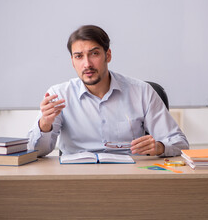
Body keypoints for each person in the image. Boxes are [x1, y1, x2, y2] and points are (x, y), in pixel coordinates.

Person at [28, 25, 189, 157]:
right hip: (76, 178)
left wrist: (160, 147)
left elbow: (179, 143)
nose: (87, 64)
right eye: (79, 56)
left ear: (108, 55)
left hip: (129, 178)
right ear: (72, 62)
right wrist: (45, 124)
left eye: (94, 54)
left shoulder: (141, 92)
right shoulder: (59, 95)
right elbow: (35, 152)